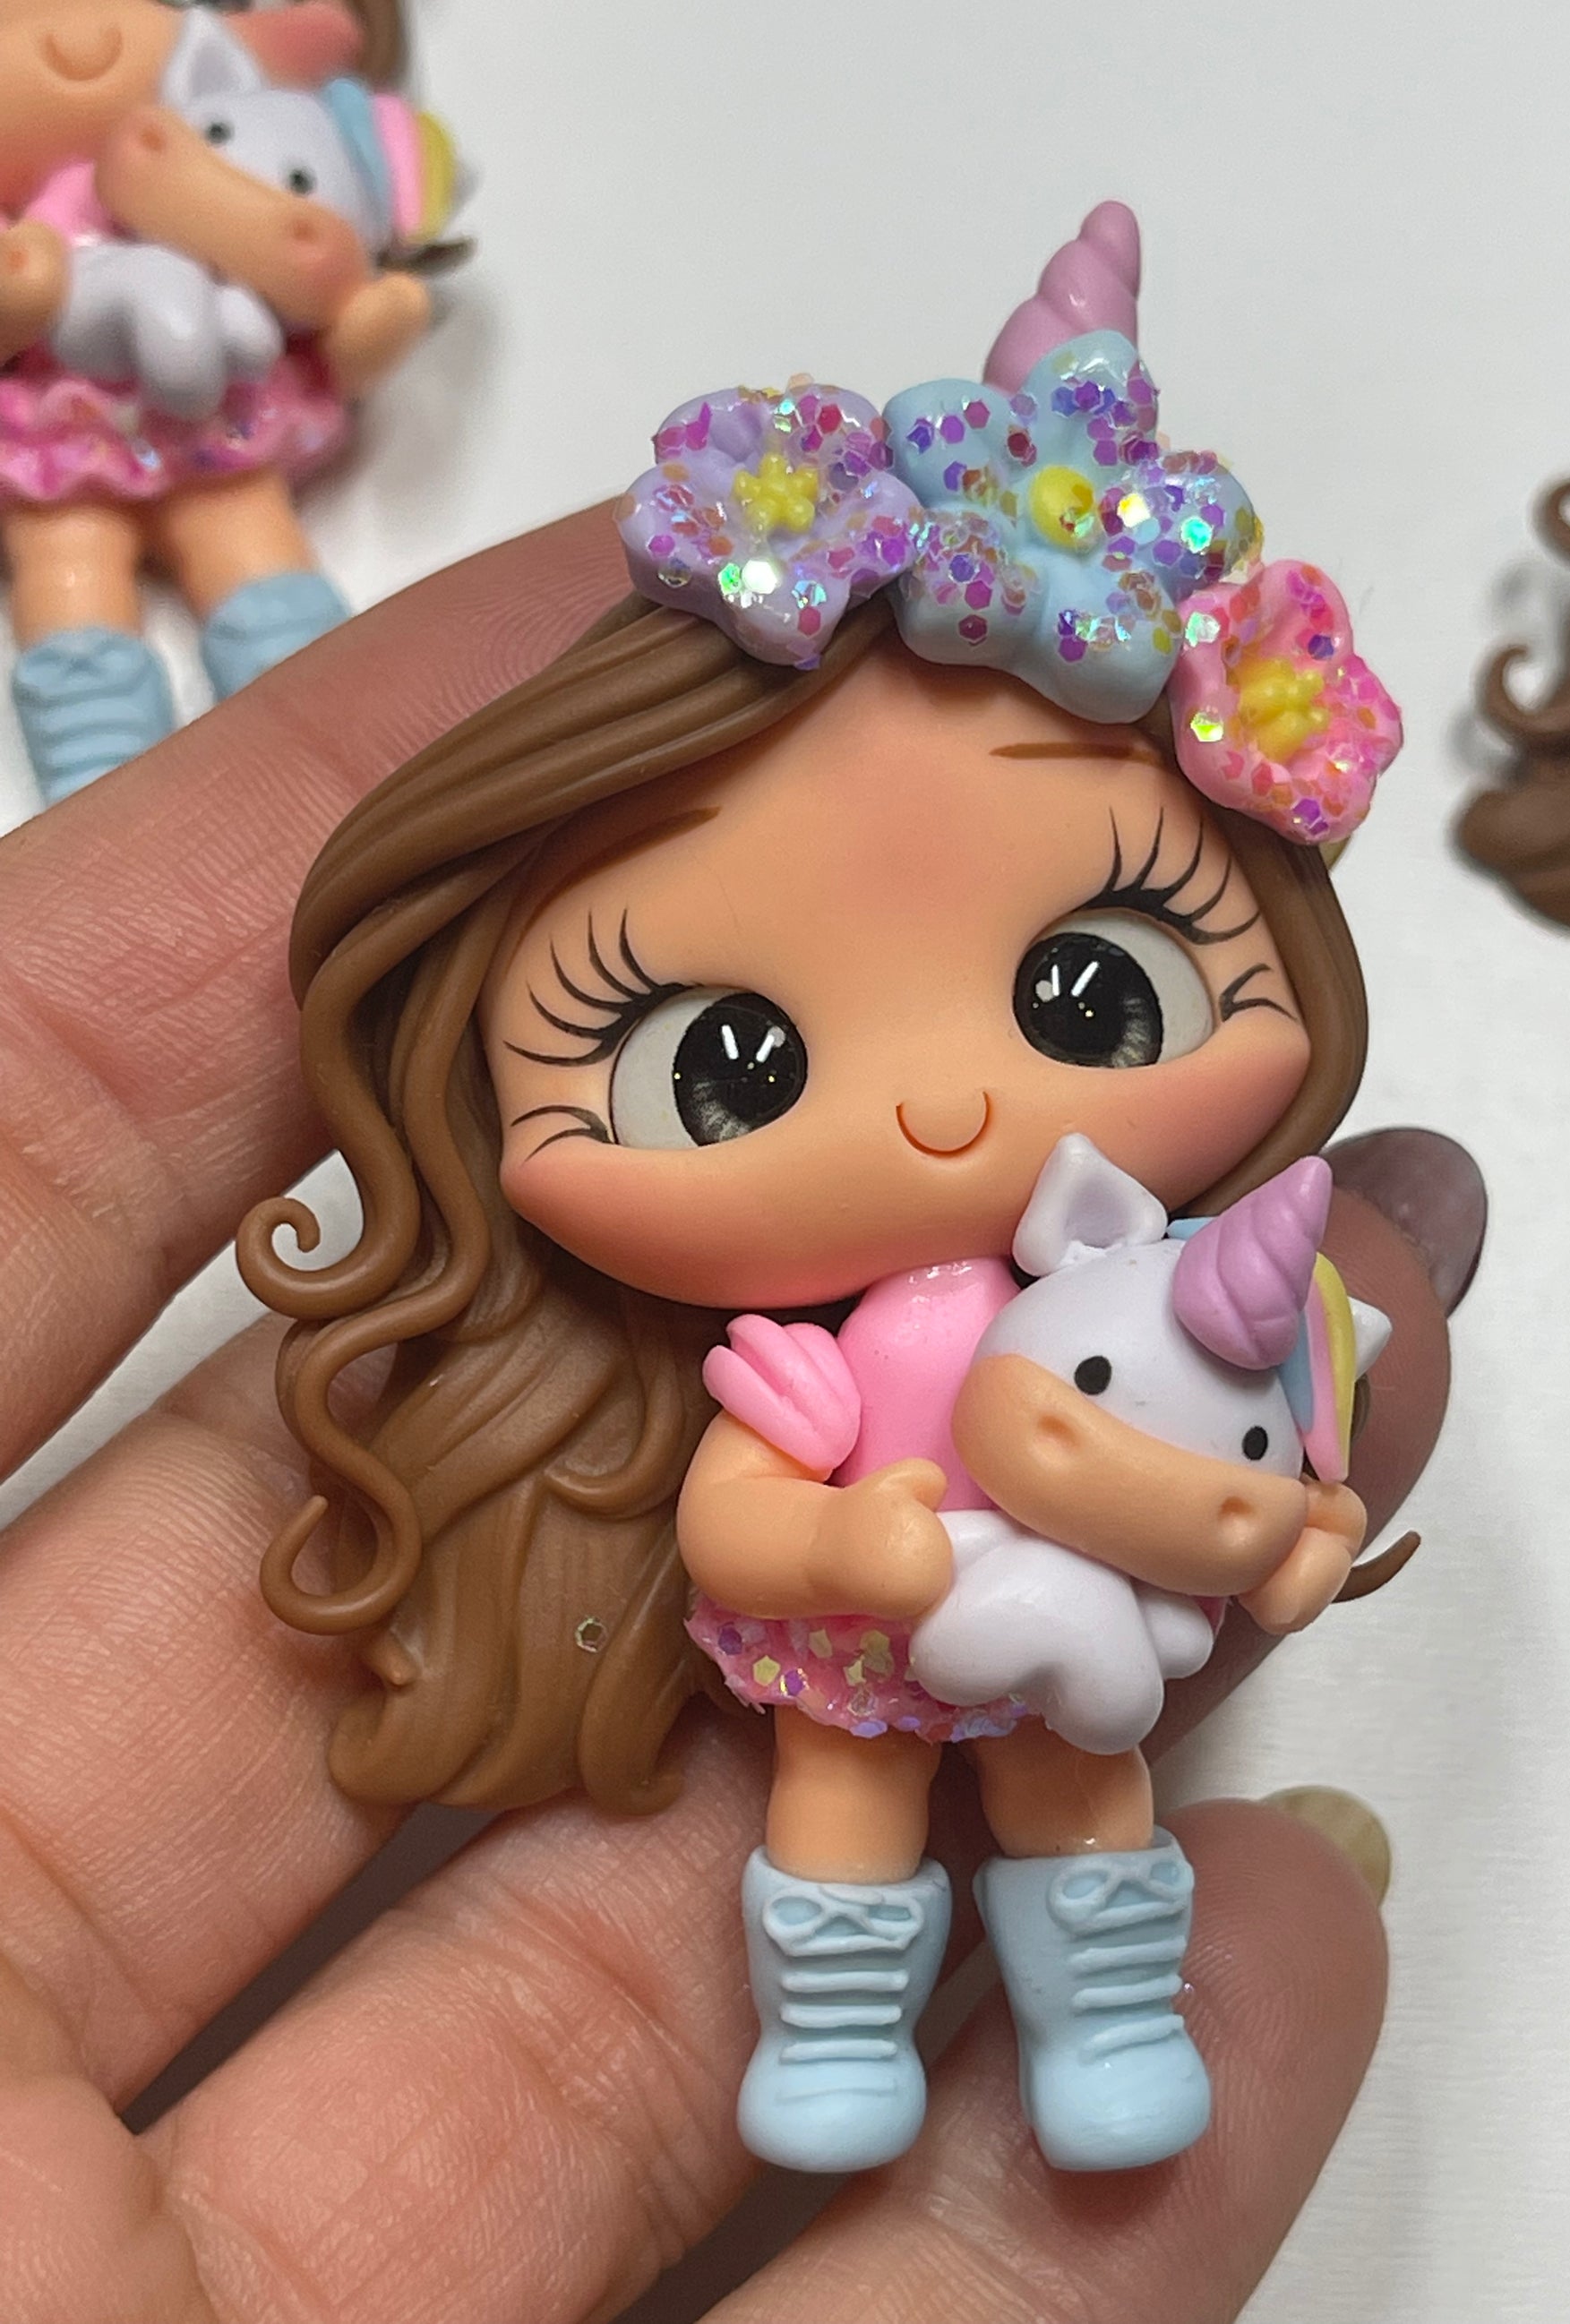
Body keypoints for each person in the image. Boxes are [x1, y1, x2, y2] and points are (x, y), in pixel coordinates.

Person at [0, 488, 1480, 2320]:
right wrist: (838, 1543)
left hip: (1078, 1631)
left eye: (1086, 990)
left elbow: (1255, 1461)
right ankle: (834, 2038)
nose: (941, 1111)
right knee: (838, 1810)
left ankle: (1106, 2028)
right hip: (850, 1643)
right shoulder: (811, 1354)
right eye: (731, 1064)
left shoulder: (1151, 1278)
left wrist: (1287, 1527)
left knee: (1082, 1800)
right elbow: (732, 1512)